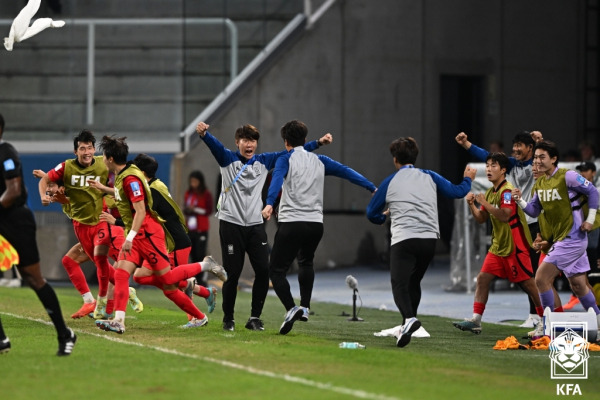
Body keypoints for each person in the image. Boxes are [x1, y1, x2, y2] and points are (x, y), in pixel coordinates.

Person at [196, 121, 332, 332]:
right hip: (231, 224)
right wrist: (205, 134)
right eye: (245, 140)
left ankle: (254, 318)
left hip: (255, 225)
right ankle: (228, 319)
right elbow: (215, 146)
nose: (249, 145)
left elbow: (293, 153)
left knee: (263, 271)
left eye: (252, 141)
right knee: (233, 273)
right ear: (237, 142)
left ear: (256, 144)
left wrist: (318, 143)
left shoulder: (264, 161)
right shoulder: (227, 159)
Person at [94, 135, 227, 334]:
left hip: (149, 235)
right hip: (138, 234)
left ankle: (205, 268)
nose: (101, 158)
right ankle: (119, 321)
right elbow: (126, 197)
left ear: (111, 159)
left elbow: (140, 211)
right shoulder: (125, 175)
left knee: (168, 282)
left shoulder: (131, 178)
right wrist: (104, 190)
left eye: (103, 155)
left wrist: (128, 238)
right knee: (123, 274)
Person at [262, 120, 376, 336]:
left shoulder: (284, 159)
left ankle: (291, 308)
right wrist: (371, 187)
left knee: (276, 270)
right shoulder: (320, 160)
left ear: (285, 141)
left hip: (292, 222)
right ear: (305, 140)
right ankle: (305, 307)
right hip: (315, 224)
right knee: (306, 261)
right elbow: (347, 172)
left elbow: (276, 180)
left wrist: (269, 203)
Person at [367, 137, 475, 347]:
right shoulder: (429, 176)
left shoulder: (391, 181)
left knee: (398, 283)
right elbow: (457, 192)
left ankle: (409, 320)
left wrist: (383, 217)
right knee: (413, 281)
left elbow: (371, 213)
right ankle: (408, 325)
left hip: (404, 240)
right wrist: (468, 179)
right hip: (429, 241)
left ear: (395, 159)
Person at [0, 112, 76, 355]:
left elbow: (12, 191)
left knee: (33, 278)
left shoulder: (6, 152)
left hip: (15, 220)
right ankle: (1, 340)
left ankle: (65, 334)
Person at [456, 130, 544, 328]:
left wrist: (540, 143)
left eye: (520, 145)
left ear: (531, 148)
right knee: (484, 278)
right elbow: (487, 156)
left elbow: (504, 215)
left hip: (525, 229)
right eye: (514, 146)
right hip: (502, 241)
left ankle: (542, 318)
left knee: (531, 280)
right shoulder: (507, 170)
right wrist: (467, 144)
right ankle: (476, 320)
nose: (515, 149)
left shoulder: (534, 167)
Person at [512, 140, 600, 338]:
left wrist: (590, 220)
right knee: (578, 284)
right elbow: (534, 210)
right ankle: (599, 321)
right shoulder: (540, 183)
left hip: (573, 238)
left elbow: (593, 191)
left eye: (542, 157)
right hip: (563, 239)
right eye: (535, 157)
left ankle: (549, 327)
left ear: (553, 159)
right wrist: (520, 200)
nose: (538, 161)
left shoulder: (567, 176)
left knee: (541, 278)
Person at [38, 130, 117, 320]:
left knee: (104, 262)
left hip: (103, 220)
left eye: (89, 147)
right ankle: (96, 301)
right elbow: (48, 181)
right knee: (76, 261)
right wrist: (45, 194)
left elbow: (121, 172)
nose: (87, 152)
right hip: (83, 227)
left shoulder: (102, 163)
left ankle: (112, 302)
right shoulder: (66, 177)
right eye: (82, 148)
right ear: (75, 151)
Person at [563, 161, 600, 310]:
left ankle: (596, 306)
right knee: (580, 272)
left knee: (593, 274)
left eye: (586, 170)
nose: (583, 173)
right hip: (580, 236)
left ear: (593, 173)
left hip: (594, 236)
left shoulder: (596, 191)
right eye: (581, 170)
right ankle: (578, 298)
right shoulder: (576, 191)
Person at [183, 170, 213, 286]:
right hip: (190, 227)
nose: (193, 184)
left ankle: (201, 279)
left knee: (200, 254)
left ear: (200, 182)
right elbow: (185, 208)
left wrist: (195, 209)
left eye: (195, 181)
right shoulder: (188, 193)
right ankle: (194, 278)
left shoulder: (205, 194)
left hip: (201, 228)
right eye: (191, 182)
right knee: (193, 254)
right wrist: (188, 209)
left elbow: (208, 210)